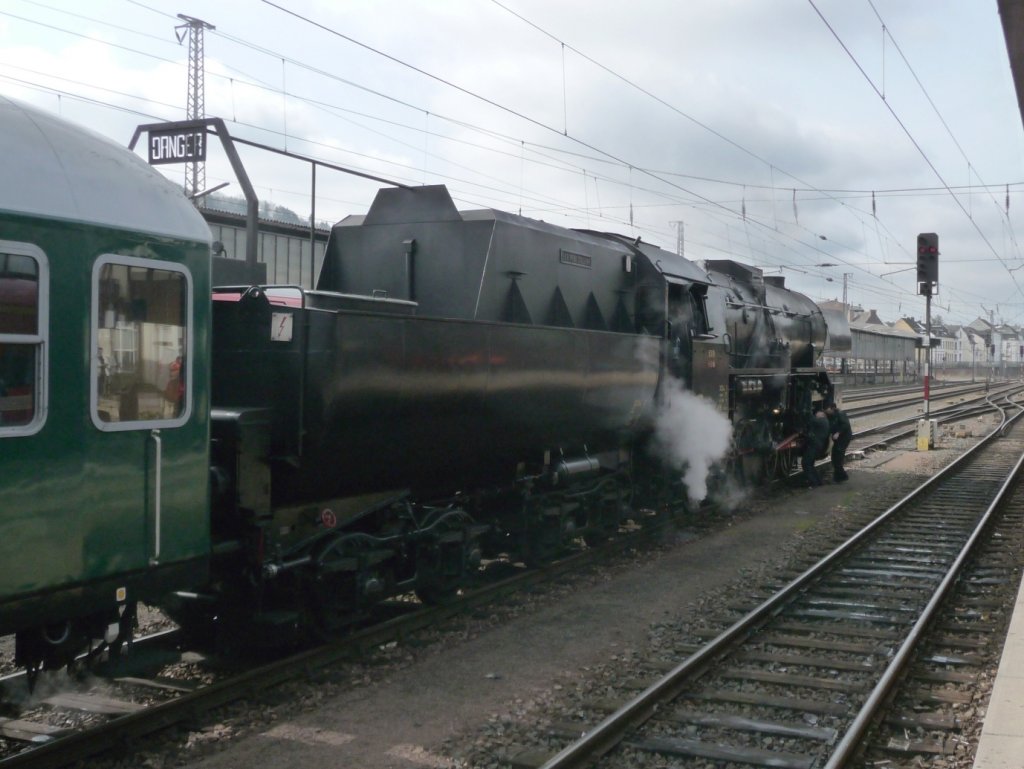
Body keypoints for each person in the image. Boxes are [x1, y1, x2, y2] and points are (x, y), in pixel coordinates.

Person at [825, 402, 853, 482]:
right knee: (834, 457)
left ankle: (842, 476)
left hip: (844, 438)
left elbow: (845, 425)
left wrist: (838, 433)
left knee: (838, 457)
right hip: (837, 439)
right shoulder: (831, 415)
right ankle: (838, 477)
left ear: (832, 408)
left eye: (827, 409)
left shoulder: (840, 414)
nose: (826, 411)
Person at [802, 410, 830, 488]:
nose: (816, 414)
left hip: (815, 445)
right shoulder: (824, 421)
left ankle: (813, 483)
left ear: (822, 415)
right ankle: (818, 482)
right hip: (817, 445)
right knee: (810, 464)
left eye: (817, 413)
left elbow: (811, 419)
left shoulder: (822, 421)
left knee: (806, 463)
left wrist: (807, 411)